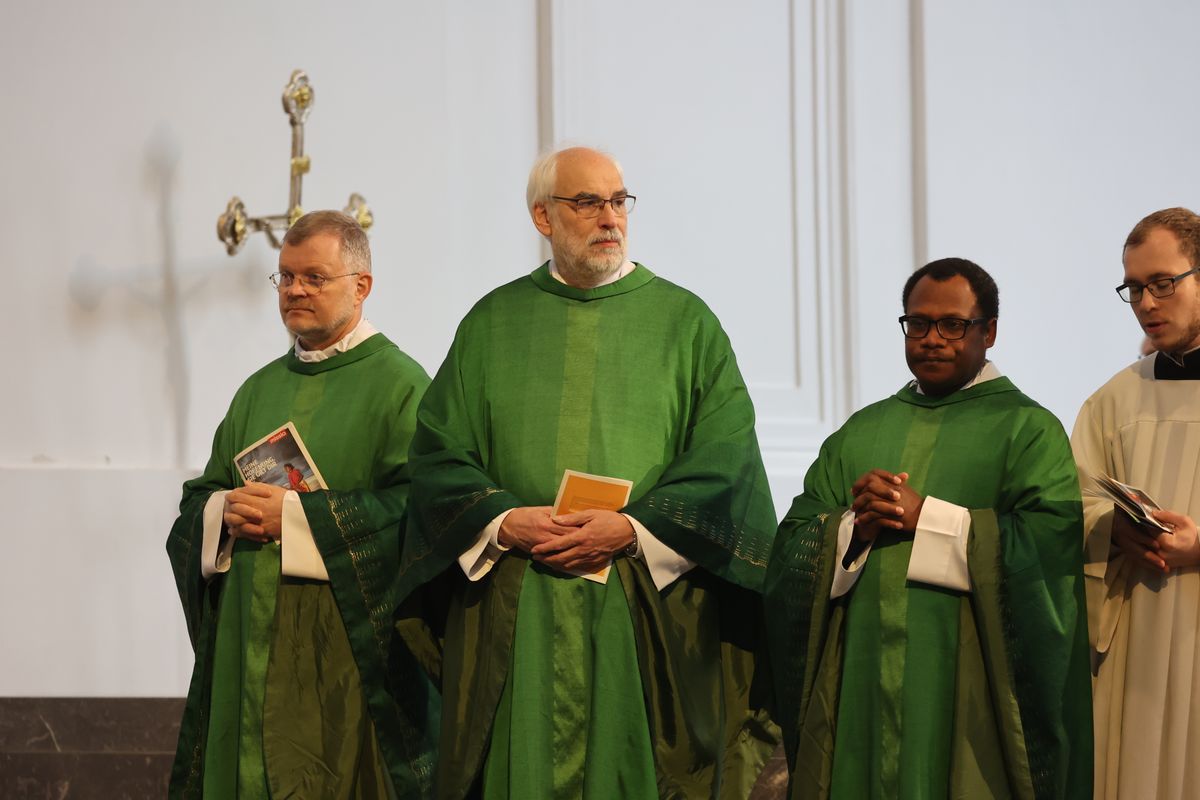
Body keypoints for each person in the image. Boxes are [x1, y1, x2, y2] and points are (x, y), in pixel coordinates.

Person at [395, 146, 779, 799]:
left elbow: (726, 458)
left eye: (619, 200)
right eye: (588, 202)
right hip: (517, 605)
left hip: (641, 608)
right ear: (543, 217)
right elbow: (437, 454)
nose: (610, 217)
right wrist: (503, 520)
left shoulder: (685, 324)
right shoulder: (493, 323)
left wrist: (633, 531)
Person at [764, 258, 1092, 799]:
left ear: (988, 331)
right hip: (863, 682)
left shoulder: (1028, 430)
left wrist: (929, 519)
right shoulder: (862, 430)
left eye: (952, 325)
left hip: (970, 693)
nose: (932, 339)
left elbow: (1048, 549)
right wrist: (853, 530)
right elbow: (796, 540)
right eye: (917, 324)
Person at [165, 211, 434, 798]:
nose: (295, 291)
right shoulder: (258, 389)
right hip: (246, 639)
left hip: (339, 650)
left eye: (315, 277)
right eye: (285, 278)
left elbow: (422, 511)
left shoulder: (401, 385)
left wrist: (294, 519)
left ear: (361, 285)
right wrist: (224, 513)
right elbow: (197, 502)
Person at [1072, 207, 1200, 799]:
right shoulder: (1115, 400)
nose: (1147, 302)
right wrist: (1114, 530)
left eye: (1163, 283)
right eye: (1134, 288)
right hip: (1139, 641)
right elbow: (1073, 500)